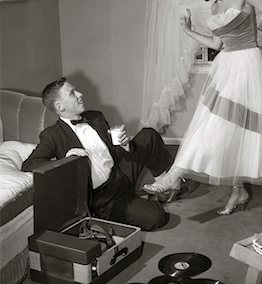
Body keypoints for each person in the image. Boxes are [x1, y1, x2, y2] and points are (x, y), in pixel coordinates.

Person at [144, 0, 262, 215]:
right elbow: (217, 44)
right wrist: (188, 30)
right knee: (222, 128)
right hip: (226, 66)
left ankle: (175, 175)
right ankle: (238, 190)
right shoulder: (215, 7)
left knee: (233, 128)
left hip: (248, 65)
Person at [22, 77, 175, 231]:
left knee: (148, 135)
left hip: (120, 174)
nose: (80, 94)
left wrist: (124, 145)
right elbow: (29, 164)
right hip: (103, 198)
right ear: (60, 106)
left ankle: (164, 183)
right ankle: (134, 203)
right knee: (156, 216)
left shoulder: (96, 117)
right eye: (73, 93)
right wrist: (65, 160)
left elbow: (114, 152)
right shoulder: (52, 135)